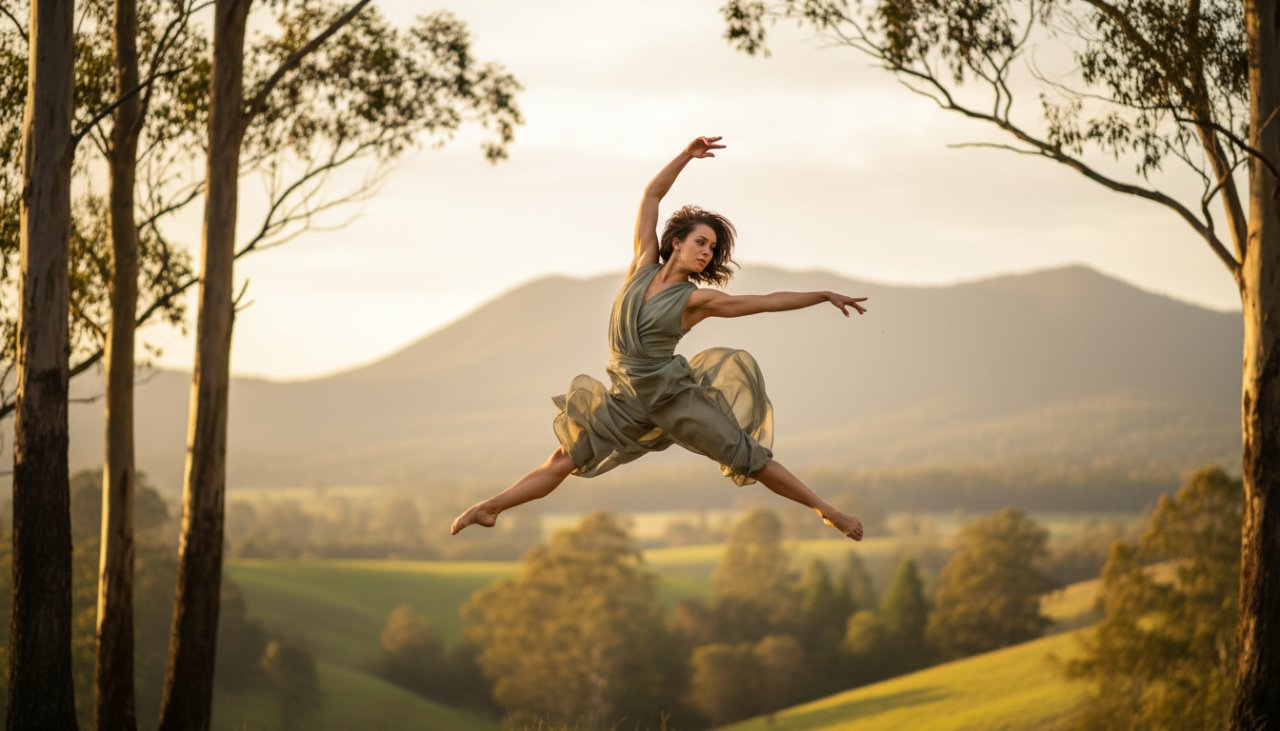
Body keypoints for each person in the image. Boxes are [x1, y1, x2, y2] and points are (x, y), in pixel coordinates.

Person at [451, 136, 867, 540]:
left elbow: (765, 301)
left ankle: (827, 512)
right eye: (701, 242)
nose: (706, 252)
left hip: (673, 397)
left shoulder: (696, 300)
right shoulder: (643, 264)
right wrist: (685, 156)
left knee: (748, 459)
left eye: (712, 248)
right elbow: (651, 196)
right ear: (676, 242)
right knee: (566, 457)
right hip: (627, 400)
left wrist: (823, 295)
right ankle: (490, 508)